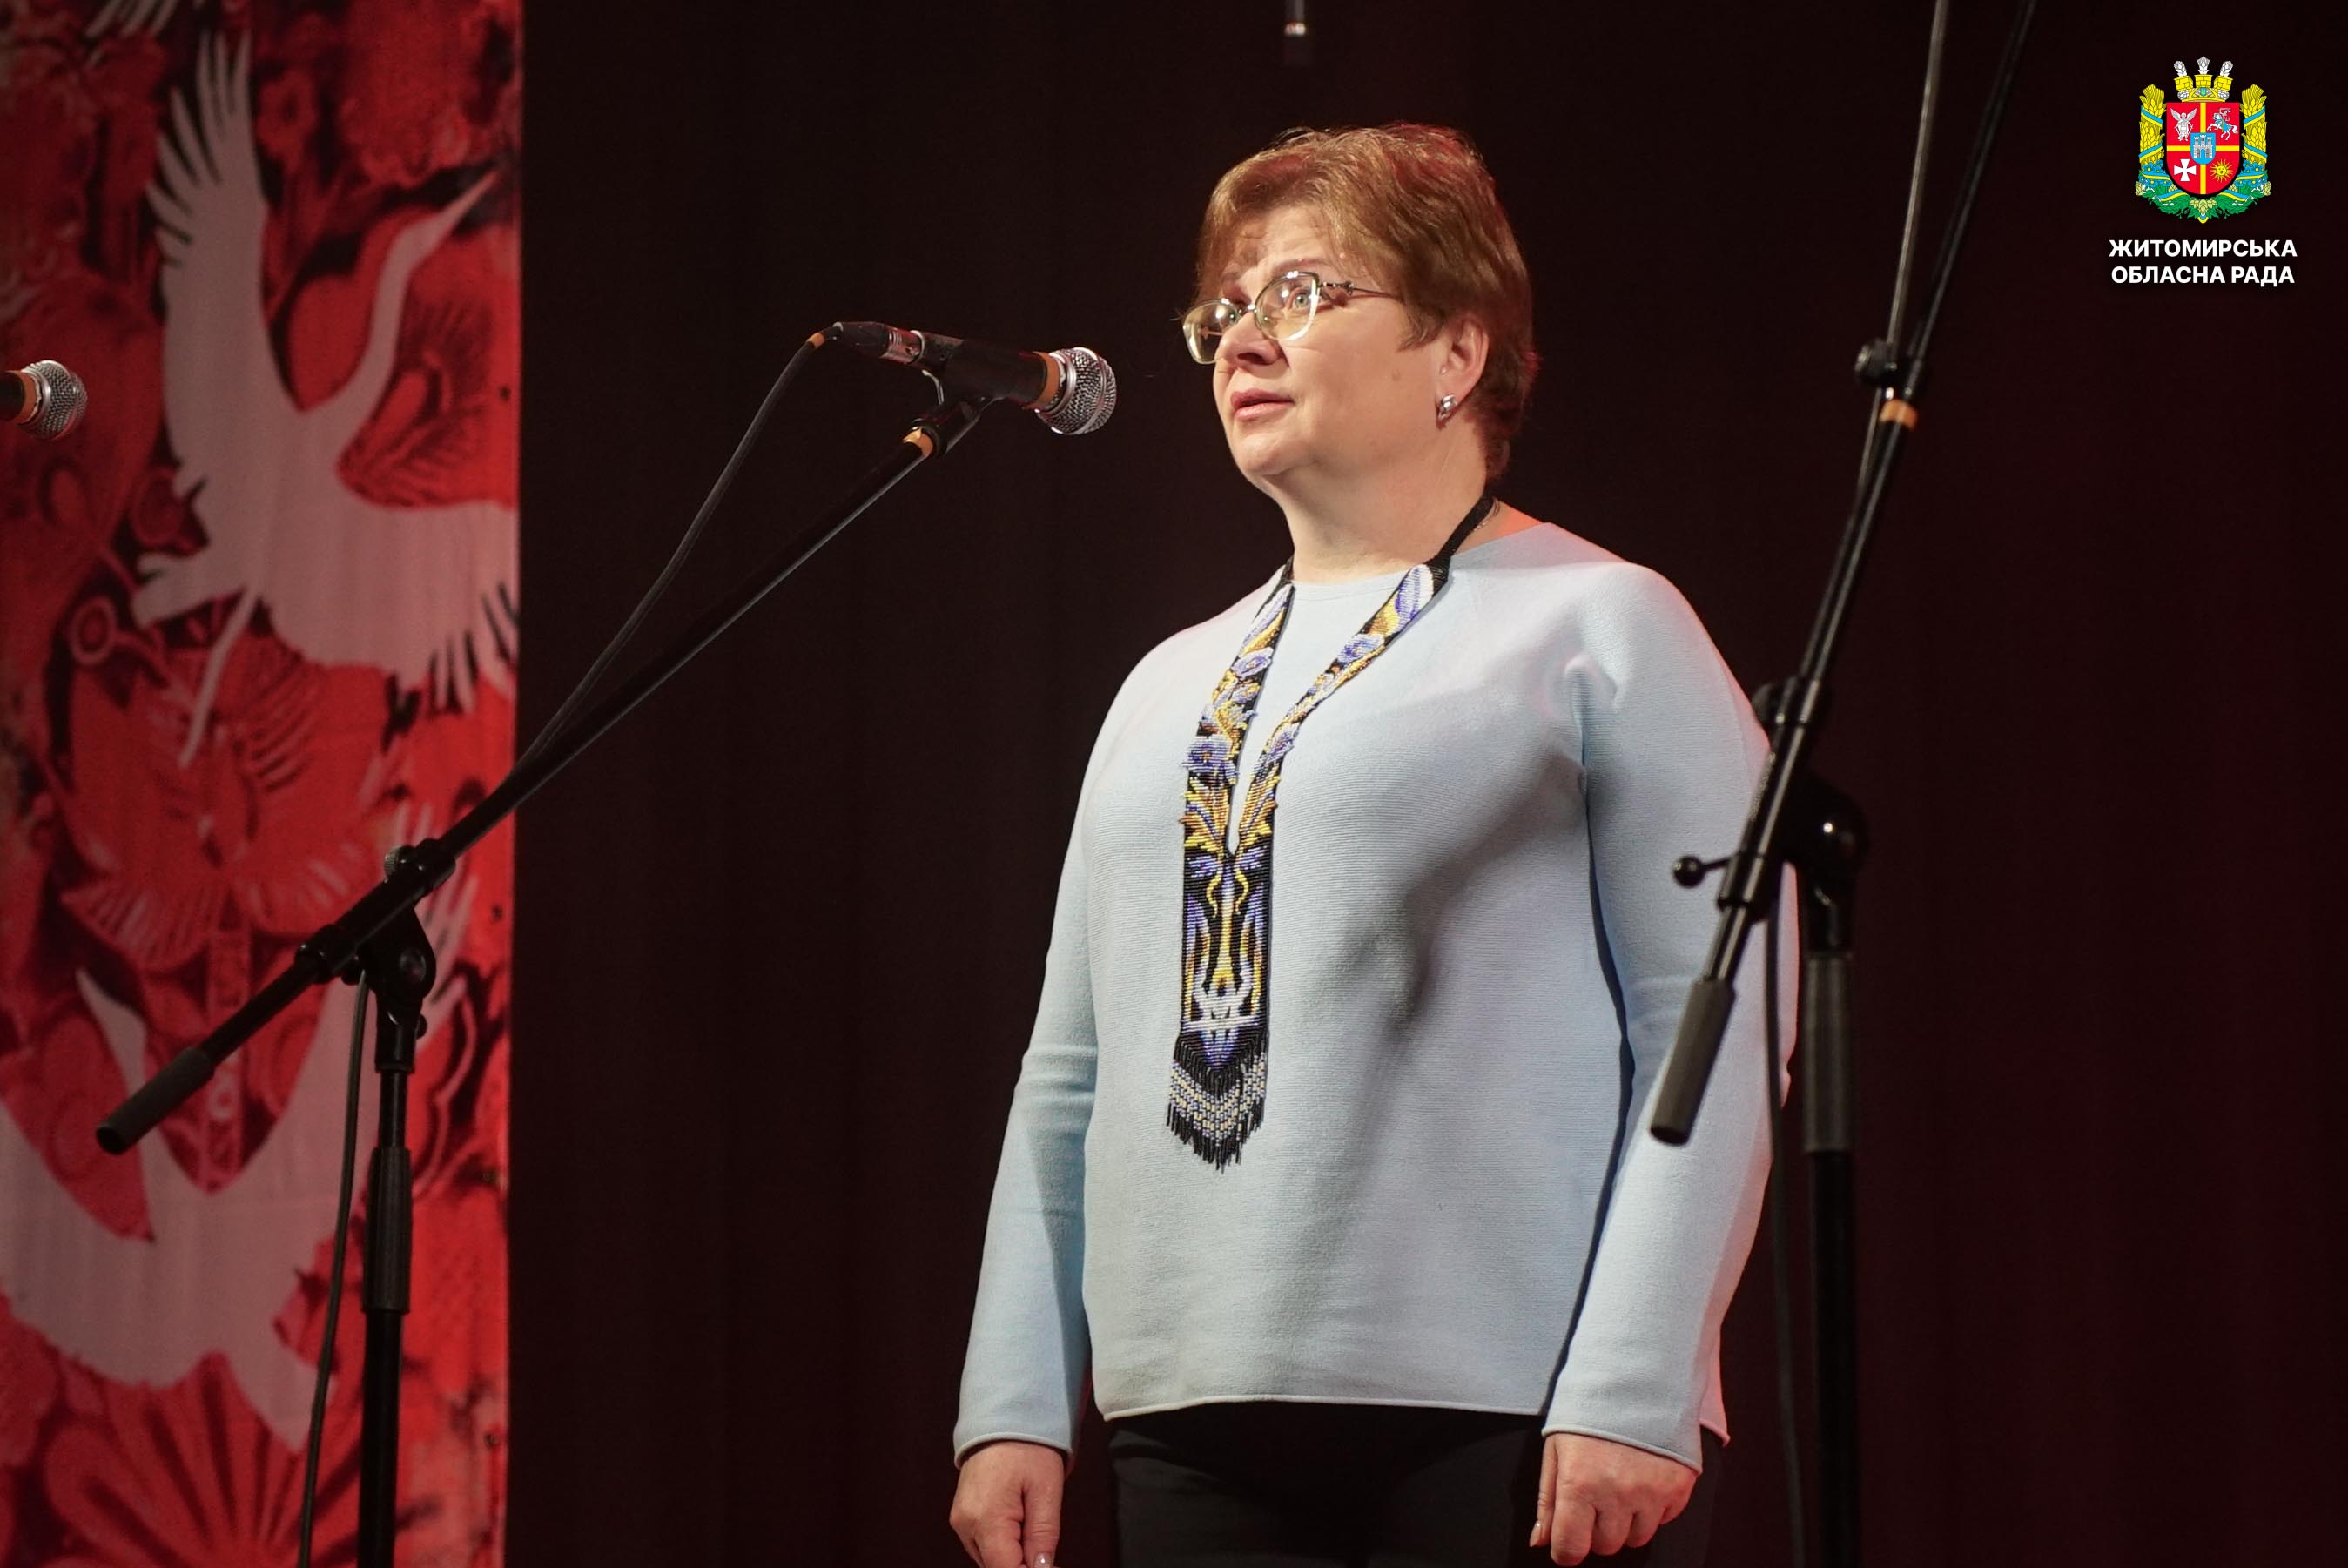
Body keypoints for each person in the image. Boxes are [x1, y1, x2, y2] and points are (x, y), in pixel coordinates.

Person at [948, 124, 1788, 1568]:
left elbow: (1711, 1025)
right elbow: (1068, 1070)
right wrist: (1013, 1396)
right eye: (1223, 308)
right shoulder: (1161, 683)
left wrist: (1637, 1376)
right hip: (1186, 1413)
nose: (1239, 337)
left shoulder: (1602, 624)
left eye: (1300, 293)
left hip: (1508, 1414)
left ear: (1458, 348)